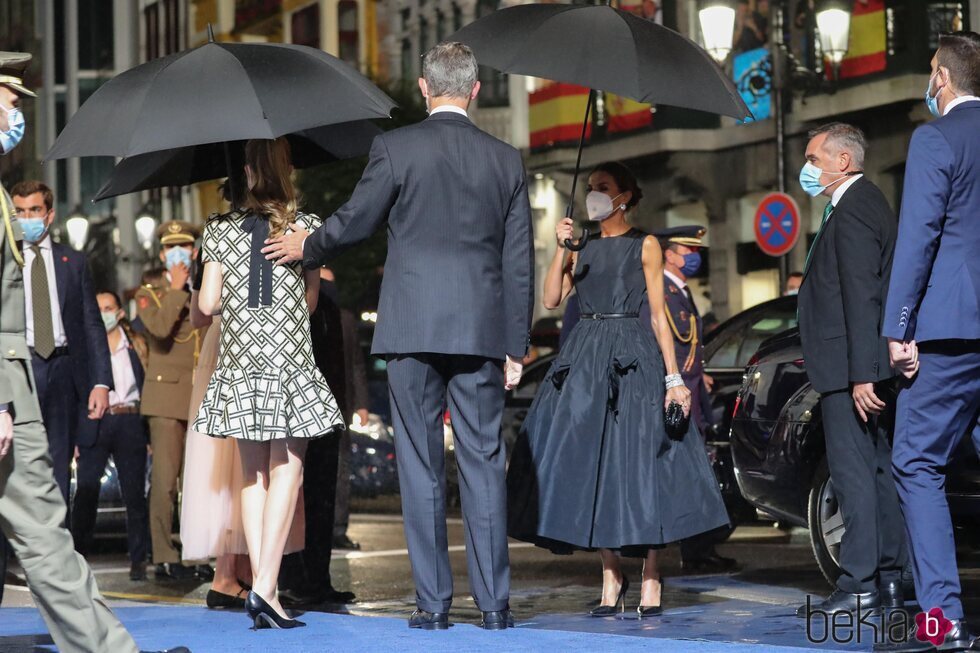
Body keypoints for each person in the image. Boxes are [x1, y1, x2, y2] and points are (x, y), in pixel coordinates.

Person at [263, 41, 534, 631]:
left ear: (424, 88)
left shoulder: (396, 147)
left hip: (411, 326)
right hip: (483, 331)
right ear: (476, 90)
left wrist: (306, 246)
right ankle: (494, 607)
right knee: (484, 463)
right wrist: (518, 343)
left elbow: (357, 218)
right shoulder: (506, 160)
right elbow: (519, 262)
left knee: (419, 465)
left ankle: (433, 606)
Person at [0, 49, 186, 653]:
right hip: (8, 388)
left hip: (27, 387)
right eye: (7, 102)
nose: (13, 116)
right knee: (44, 523)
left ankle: (111, 649)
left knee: (46, 526)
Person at [507, 162, 729, 618]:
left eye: (603, 189)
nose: (594, 196)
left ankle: (651, 574)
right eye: (591, 189)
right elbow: (551, 299)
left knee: (640, 461)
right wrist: (561, 249)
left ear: (625, 196)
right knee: (591, 465)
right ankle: (611, 574)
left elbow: (656, 315)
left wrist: (673, 378)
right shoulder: (580, 244)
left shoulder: (644, 244)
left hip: (632, 353)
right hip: (585, 357)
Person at [195, 137, 344, 630]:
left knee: (250, 474)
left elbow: (209, 305)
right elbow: (309, 305)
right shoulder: (307, 229)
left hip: (240, 361)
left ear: (243, 172)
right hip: (288, 361)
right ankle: (264, 590)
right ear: (286, 171)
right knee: (290, 470)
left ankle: (267, 589)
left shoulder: (218, 229)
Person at [879, 32, 980, 652]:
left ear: (940, 77)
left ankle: (942, 623)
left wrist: (899, 326)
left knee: (916, 463)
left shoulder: (935, 138)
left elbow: (918, 238)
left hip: (949, 331)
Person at [793, 123, 907, 620]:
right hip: (851, 365)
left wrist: (862, 374)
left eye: (814, 158)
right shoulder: (857, 204)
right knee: (876, 471)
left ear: (842, 162)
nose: (808, 167)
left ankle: (859, 581)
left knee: (854, 473)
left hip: (850, 369)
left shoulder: (856, 207)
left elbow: (863, 295)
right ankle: (888, 579)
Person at [9, 180, 112, 506]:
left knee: (58, 462)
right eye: (20, 211)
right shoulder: (4, 261)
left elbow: (92, 324)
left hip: (65, 370)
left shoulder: (74, 262)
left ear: (50, 214)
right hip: (19, 369)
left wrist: (101, 382)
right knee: (12, 465)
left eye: (34, 210)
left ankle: (57, 551)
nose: (27, 217)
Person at [655, 226, 737, 574]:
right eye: (687, 251)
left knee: (695, 475)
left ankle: (698, 548)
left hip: (691, 393)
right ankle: (693, 549)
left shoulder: (679, 291)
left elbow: (689, 346)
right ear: (670, 255)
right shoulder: (662, 292)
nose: (693, 257)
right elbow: (663, 344)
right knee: (686, 476)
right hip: (677, 397)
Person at [278, 267, 360, 607]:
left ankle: (317, 579)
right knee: (295, 496)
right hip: (301, 409)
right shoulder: (299, 297)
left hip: (326, 412)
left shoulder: (330, 304)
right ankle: (295, 579)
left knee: (320, 497)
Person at [136, 221, 210, 581]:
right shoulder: (148, 292)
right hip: (165, 397)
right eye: (171, 248)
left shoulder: (206, 285)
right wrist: (178, 290)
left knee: (196, 483)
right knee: (166, 483)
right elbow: (161, 330)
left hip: (200, 395)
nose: (178, 254)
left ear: (194, 251)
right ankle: (164, 553)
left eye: (185, 247)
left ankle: (197, 554)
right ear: (162, 253)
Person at [71, 290, 151, 581]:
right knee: (86, 492)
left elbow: (147, 385)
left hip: (129, 420)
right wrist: (75, 435)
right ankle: (78, 559)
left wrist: (149, 432)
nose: (104, 313)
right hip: (96, 421)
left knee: (135, 495)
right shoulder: (85, 347)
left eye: (109, 307)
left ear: (119, 312)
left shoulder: (137, 345)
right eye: (98, 307)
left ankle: (139, 561)